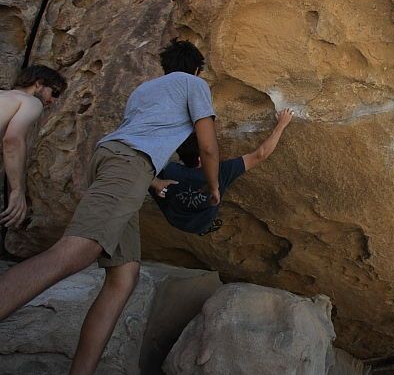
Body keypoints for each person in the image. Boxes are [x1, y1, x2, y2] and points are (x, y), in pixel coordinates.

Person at [0, 39, 219, 375]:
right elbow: (207, 144)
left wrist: (154, 181)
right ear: (196, 68)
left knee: (124, 276)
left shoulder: (144, 91)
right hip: (128, 166)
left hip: (117, 162)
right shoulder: (194, 84)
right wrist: (213, 185)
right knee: (75, 252)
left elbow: (137, 138)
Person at [150, 108, 294, 236]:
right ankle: (204, 228)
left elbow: (139, 170)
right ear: (201, 157)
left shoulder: (171, 170)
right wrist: (282, 124)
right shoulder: (220, 172)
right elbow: (260, 154)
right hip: (202, 222)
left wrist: (156, 182)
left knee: (151, 181)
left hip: (175, 218)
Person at [1, 65, 67, 228]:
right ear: (38, 84)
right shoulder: (30, 101)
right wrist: (17, 190)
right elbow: (12, 139)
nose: (53, 101)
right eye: (55, 93)